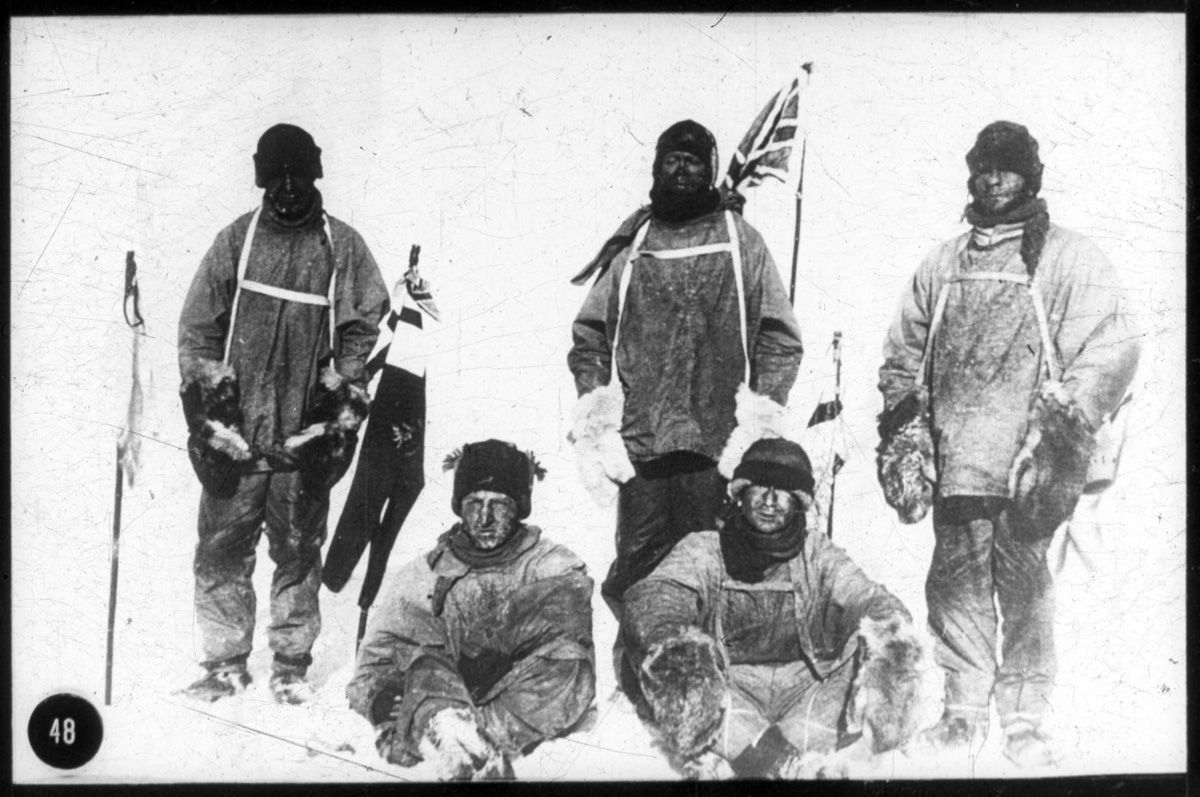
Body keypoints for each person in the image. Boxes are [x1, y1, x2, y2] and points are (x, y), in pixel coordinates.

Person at [876, 121, 1141, 767]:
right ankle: (964, 713)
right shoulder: (944, 262)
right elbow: (904, 355)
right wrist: (909, 425)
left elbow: (1112, 343)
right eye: (985, 169)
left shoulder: (1067, 257)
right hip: (959, 463)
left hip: (1028, 471)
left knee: (1025, 598)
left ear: (1030, 176)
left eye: (1008, 169)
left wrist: (1064, 421)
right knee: (957, 595)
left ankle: (1025, 720)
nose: (994, 180)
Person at [567, 119, 804, 650]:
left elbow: (778, 335)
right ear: (655, 167)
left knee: (711, 561)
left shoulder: (738, 239)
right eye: (671, 158)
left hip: (714, 443)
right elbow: (590, 334)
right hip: (643, 443)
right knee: (638, 565)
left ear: (710, 171)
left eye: (693, 160)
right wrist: (597, 410)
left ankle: (710, 670)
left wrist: (762, 413)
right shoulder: (636, 243)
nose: (681, 168)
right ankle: (638, 671)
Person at [177, 123, 389, 703]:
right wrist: (210, 412)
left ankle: (291, 663)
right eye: (277, 177)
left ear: (315, 174)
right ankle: (224, 663)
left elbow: (362, 324)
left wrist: (336, 402)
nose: (289, 189)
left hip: (300, 436)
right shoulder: (236, 242)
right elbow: (198, 327)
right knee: (221, 548)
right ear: (263, 180)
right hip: (238, 436)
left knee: (297, 550)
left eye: (299, 174)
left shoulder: (340, 246)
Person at [622, 438, 923, 779]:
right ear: (740, 494)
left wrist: (890, 637)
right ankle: (772, 758)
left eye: (783, 491)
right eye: (760, 486)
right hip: (728, 691)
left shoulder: (817, 553)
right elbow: (655, 596)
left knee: (872, 644)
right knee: (679, 669)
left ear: (799, 502)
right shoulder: (705, 548)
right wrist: (670, 639)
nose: (769, 501)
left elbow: (866, 596)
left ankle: (770, 755)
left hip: (804, 692)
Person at [347, 439, 596, 781]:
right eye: (474, 502)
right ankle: (456, 739)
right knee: (423, 665)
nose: (485, 517)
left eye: (499, 504)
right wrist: (382, 699)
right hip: (441, 693)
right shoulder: (424, 574)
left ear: (520, 506)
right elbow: (375, 661)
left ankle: (462, 741)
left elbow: (566, 641)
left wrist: (490, 647)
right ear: (459, 507)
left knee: (570, 667)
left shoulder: (550, 564)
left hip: (515, 696)